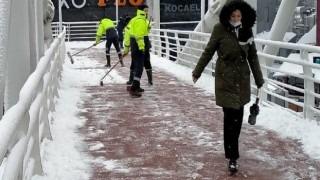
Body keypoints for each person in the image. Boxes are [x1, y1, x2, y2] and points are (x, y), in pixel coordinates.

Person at [192, 0, 264, 173]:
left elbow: (252, 55)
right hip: (225, 77)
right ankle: (232, 156)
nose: (236, 18)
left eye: (239, 16)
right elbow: (208, 51)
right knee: (229, 117)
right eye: (233, 16)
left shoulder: (246, 30)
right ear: (227, 15)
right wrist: (197, 72)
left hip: (242, 78)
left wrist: (259, 78)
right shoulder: (220, 29)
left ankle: (232, 151)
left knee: (238, 117)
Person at [123, 4, 150, 98]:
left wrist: (126, 48)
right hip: (138, 46)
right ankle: (134, 89)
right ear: (142, 11)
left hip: (134, 45)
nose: (147, 12)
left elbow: (128, 34)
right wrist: (142, 48)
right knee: (139, 68)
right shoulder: (141, 21)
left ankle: (137, 86)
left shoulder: (134, 20)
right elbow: (139, 35)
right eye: (146, 10)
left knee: (136, 66)